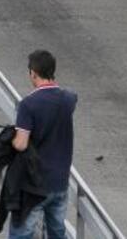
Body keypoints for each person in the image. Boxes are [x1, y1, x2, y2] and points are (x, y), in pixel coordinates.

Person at [8, 50, 77, 239]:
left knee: (22, 233)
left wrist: (8, 139)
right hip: (60, 182)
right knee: (57, 232)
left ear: (33, 73)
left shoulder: (28, 104)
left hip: (34, 185)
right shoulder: (69, 98)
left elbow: (21, 144)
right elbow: (69, 96)